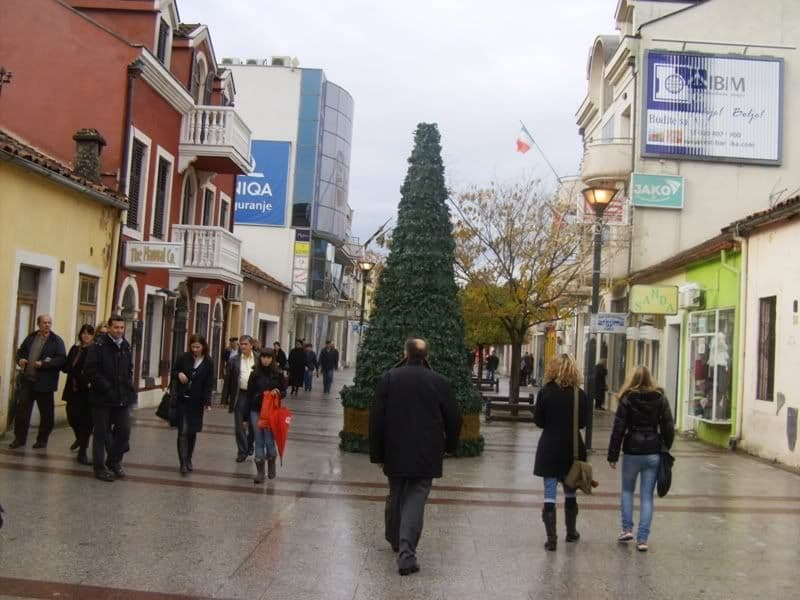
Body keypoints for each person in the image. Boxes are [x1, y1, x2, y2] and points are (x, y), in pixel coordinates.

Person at [369, 338, 462, 576]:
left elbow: (376, 419)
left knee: (397, 493)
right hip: (427, 453)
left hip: (395, 450)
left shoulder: (389, 378)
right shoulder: (440, 382)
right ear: (427, 356)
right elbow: (454, 419)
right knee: (415, 499)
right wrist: (449, 446)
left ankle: (395, 538)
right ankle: (406, 554)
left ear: (405, 353)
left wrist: (377, 453)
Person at [607, 366, 675, 552]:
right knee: (647, 497)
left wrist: (613, 455)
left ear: (632, 379)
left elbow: (618, 428)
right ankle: (643, 539)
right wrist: (665, 446)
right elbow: (668, 425)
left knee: (627, 491)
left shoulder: (627, 398)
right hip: (652, 451)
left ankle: (627, 529)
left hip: (632, 451)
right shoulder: (660, 398)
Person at [532, 354, 589, 551]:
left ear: (552, 369)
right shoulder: (579, 395)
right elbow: (582, 423)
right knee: (571, 491)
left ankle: (551, 538)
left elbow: (539, 421)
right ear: (574, 371)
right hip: (572, 449)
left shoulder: (545, 392)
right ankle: (571, 532)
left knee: (549, 493)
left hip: (549, 448)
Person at [84, 315, 135, 482]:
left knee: (124, 432)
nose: (119, 331)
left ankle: (113, 461)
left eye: (121, 328)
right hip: (101, 398)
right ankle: (99, 468)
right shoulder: (98, 346)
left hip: (121, 398)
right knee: (100, 434)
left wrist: (127, 385)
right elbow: (90, 371)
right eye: (116, 327)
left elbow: (129, 368)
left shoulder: (125, 345)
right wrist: (106, 387)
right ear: (110, 327)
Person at [10, 314, 67, 449]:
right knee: (22, 412)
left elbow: (61, 360)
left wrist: (44, 364)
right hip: (28, 381)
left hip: (45, 383)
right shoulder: (31, 337)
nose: (47, 325)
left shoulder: (56, 341)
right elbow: (20, 352)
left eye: (49, 323)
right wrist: (20, 360)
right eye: (44, 323)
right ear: (38, 324)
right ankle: (19, 439)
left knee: (46, 414)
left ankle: (42, 440)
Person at [172, 335, 215, 475]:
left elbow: (209, 384)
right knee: (183, 431)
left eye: (198, 347)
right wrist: (179, 374)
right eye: (193, 347)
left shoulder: (208, 362)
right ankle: (183, 462)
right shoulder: (183, 358)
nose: (195, 350)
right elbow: (173, 371)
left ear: (203, 347)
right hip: (182, 399)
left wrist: (207, 401)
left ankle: (189, 458)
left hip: (197, 402)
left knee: (192, 431)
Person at [246, 349, 286, 482]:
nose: (266, 360)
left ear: (272, 359)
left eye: (269, 357)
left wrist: (278, 392)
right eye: (263, 357)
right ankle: (260, 473)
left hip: (271, 412)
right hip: (256, 410)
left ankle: (271, 461)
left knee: (269, 440)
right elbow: (248, 395)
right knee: (258, 439)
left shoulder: (278, 374)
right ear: (260, 358)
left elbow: (284, 391)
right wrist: (245, 418)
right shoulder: (254, 374)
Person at [62, 324, 95, 464]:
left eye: (89, 333)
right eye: (84, 333)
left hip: (86, 391)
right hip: (72, 388)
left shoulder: (93, 351)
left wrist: (82, 375)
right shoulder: (75, 349)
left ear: (93, 336)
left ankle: (82, 452)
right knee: (71, 417)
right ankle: (79, 438)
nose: (85, 336)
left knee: (86, 422)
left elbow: (91, 370)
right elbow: (66, 366)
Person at [224, 335, 258, 462]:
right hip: (241, 394)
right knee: (239, 425)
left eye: (245, 344)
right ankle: (242, 451)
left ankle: (249, 444)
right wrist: (225, 399)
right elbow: (228, 380)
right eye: (241, 344)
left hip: (255, 396)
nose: (242, 346)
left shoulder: (259, 358)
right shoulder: (234, 360)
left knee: (254, 424)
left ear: (251, 345)